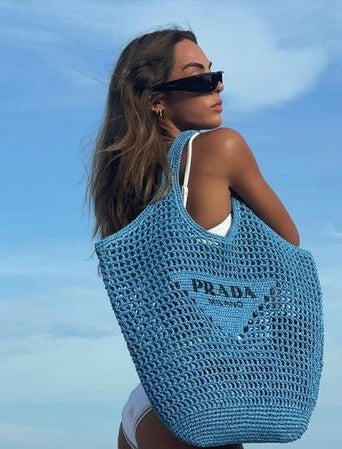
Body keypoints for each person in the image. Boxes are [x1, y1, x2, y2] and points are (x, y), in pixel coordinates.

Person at [87, 26, 300, 449]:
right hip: (208, 390)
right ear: (157, 99)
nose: (217, 85)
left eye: (214, 73)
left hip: (152, 395)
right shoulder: (220, 148)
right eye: (198, 77)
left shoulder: (133, 181)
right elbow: (288, 242)